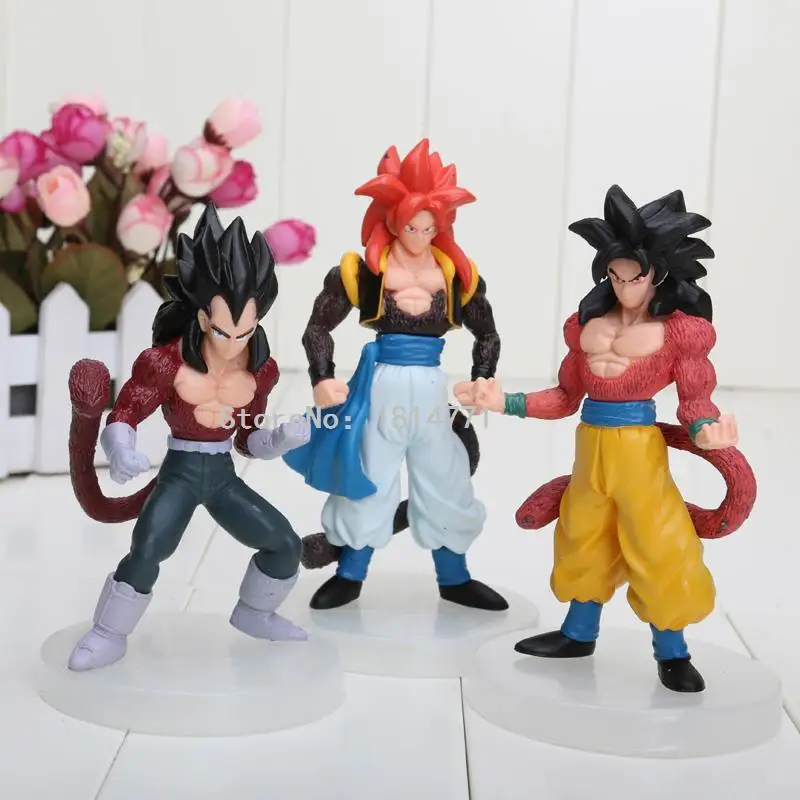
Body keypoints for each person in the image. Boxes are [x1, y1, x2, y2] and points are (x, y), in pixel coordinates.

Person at [462, 185, 757, 692]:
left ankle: (672, 651)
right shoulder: (588, 328)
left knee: (659, 542)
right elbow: (564, 397)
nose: (623, 287)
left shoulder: (678, 332)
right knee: (582, 534)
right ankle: (578, 633)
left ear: (656, 273)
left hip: (639, 451)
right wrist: (503, 402)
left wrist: (707, 432)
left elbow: (695, 400)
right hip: (591, 447)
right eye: (614, 276)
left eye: (633, 277)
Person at [66, 203, 310, 671]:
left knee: (284, 544)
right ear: (201, 318)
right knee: (148, 549)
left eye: (246, 331)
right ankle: (107, 632)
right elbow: (127, 410)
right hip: (179, 473)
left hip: (222, 475)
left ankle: (256, 612)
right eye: (223, 331)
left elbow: (248, 438)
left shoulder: (261, 370)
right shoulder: (166, 363)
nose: (234, 343)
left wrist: (279, 439)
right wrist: (120, 448)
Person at [283, 139, 507, 612]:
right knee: (369, 477)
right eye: (411, 226)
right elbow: (318, 327)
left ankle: (454, 577)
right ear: (391, 221)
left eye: (430, 227)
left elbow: (487, 333)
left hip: (430, 390)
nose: (420, 236)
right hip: (380, 386)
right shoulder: (365, 272)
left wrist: (482, 377)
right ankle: (350, 572)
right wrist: (322, 376)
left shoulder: (456, 274)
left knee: (445, 478)